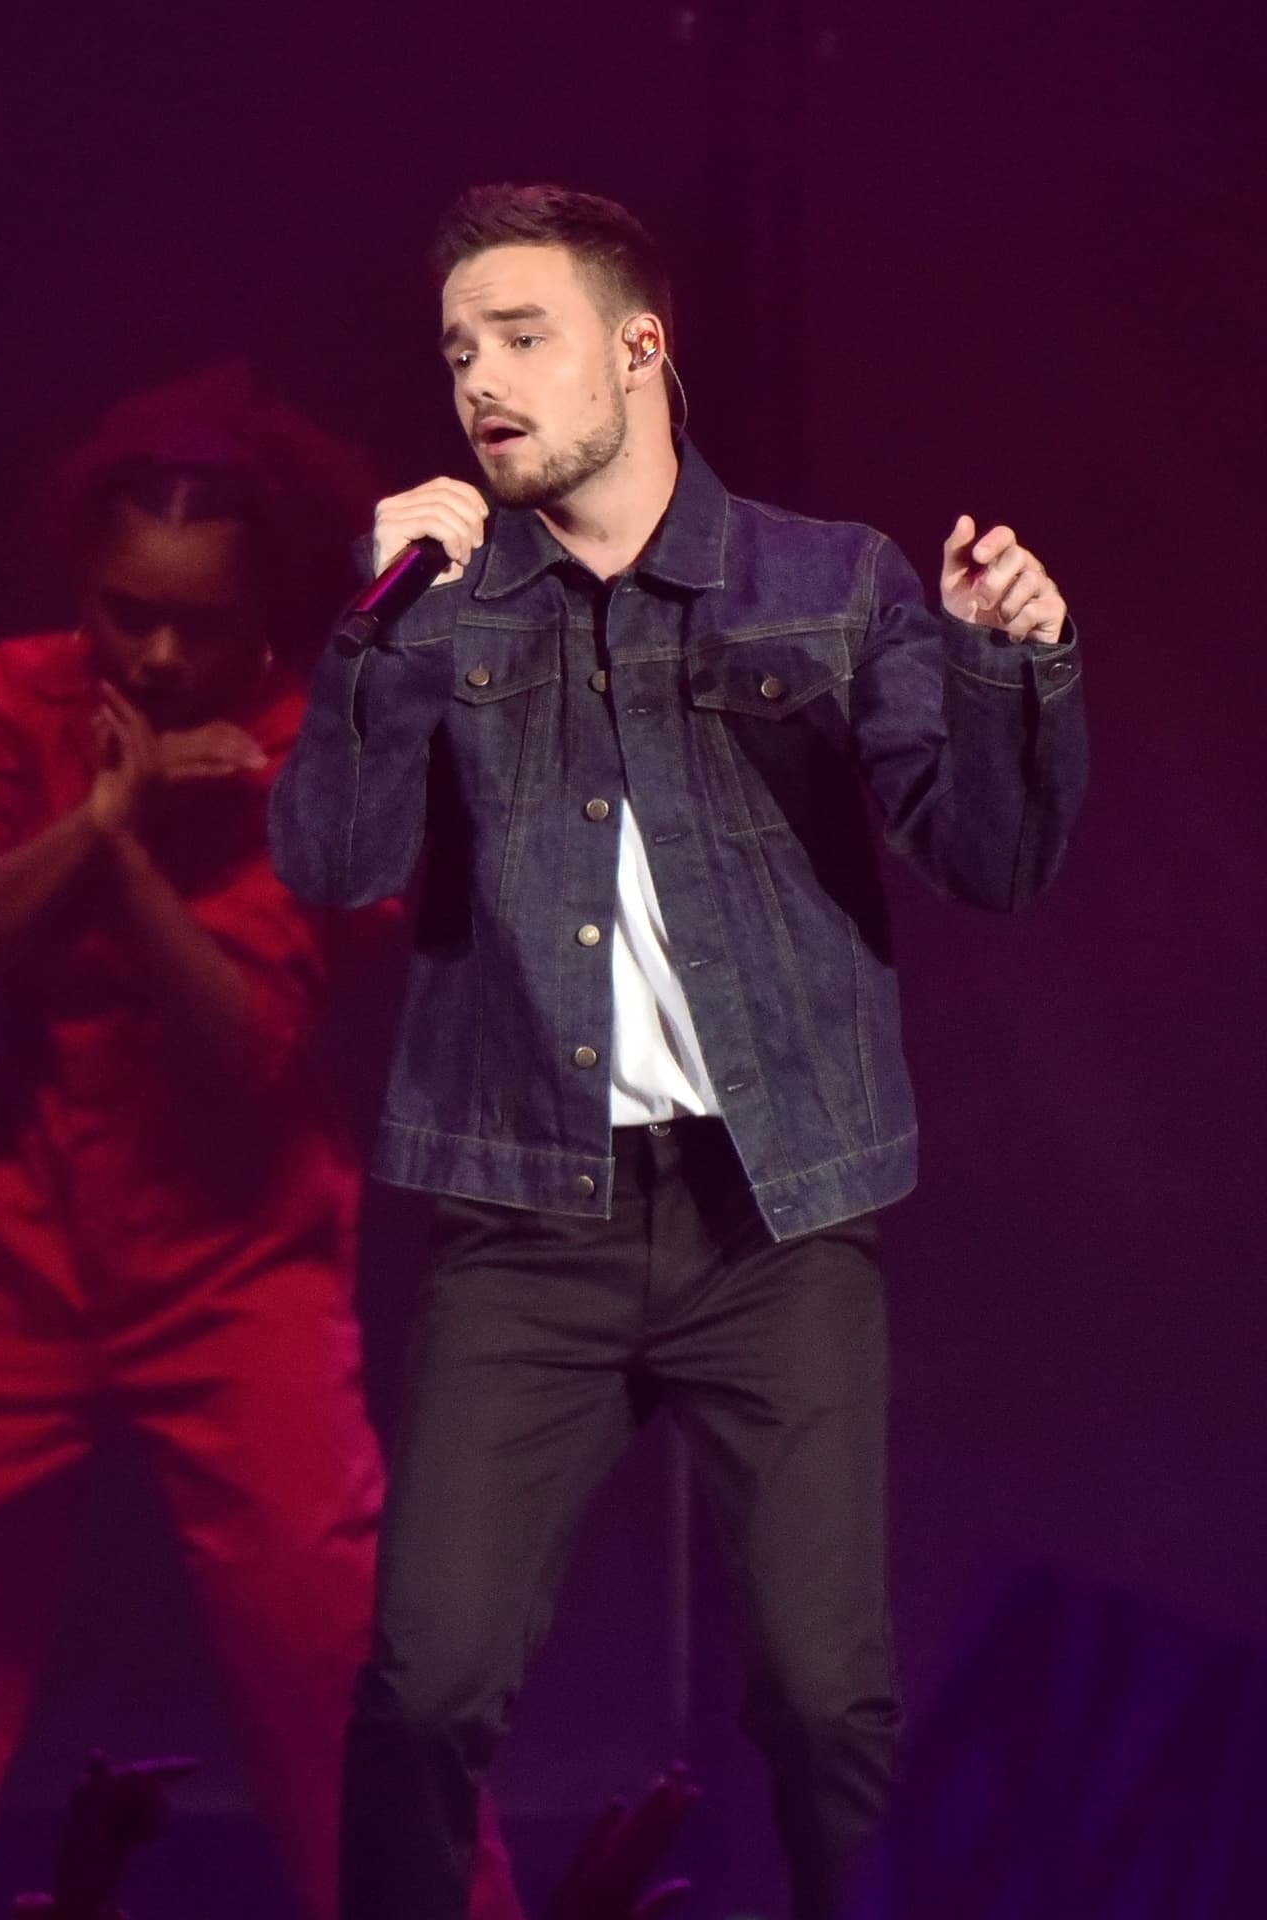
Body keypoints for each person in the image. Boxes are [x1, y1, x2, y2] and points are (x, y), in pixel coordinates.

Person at [269, 183, 1089, 1920]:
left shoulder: (825, 581)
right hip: (525, 1229)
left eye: (521, 337)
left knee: (821, 1704)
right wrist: (382, 633)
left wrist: (1018, 674)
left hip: (768, 1226)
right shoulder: (445, 602)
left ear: (640, 348)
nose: (479, 382)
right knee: (422, 1695)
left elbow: (990, 862)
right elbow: (329, 867)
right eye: (456, 352)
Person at [0, 368, 521, 1920]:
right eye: (122, 611)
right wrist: (104, 821)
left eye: (196, 624)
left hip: (234, 1276)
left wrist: (129, 854)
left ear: (267, 615)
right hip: (16, 1252)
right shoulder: (17, 697)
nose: (153, 654)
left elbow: (249, 1049)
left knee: (332, 1659)